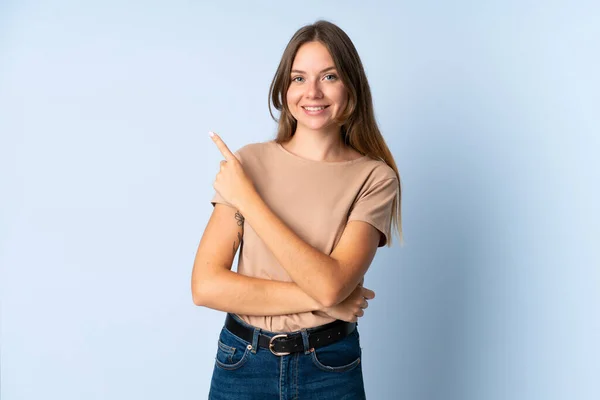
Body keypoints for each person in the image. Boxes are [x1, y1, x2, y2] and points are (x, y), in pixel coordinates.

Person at [191, 20, 402, 400]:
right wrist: (326, 299)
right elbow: (206, 287)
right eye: (299, 78)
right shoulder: (249, 163)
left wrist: (249, 200)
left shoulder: (374, 177)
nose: (313, 92)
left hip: (329, 368)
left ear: (351, 85)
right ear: (284, 88)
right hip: (242, 363)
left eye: (329, 76)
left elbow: (330, 284)